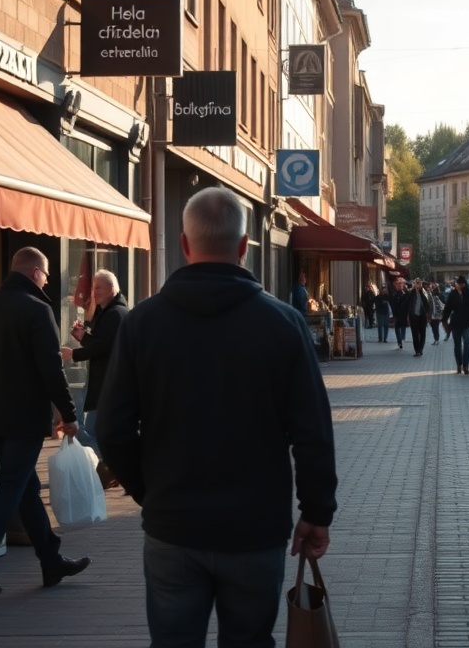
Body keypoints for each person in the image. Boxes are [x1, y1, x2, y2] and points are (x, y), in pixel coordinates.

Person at [98, 187, 337, 648]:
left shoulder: (142, 325)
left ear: (185, 245)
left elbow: (112, 429)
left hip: (173, 525)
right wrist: (316, 511)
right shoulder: (283, 325)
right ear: (245, 247)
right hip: (255, 527)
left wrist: (151, 493)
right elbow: (313, 433)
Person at [0, 246, 91, 596]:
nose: (46, 282)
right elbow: (51, 368)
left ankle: (51, 561)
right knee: (11, 487)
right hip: (25, 416)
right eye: (46, 275)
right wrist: (70, 413)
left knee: (25, 487)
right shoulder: (38, 310)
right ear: (35, 273)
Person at [60, 269, 129, 490]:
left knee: (89, 429)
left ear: (111, 289)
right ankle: (112, 469)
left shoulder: (115, 314)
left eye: (98, 288)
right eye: (93, 288)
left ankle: (111, 468)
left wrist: (75, 353)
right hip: (109, 384)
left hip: (109, 384)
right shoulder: (111, 313)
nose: (94, 293)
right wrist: (83, 337)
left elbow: (104, 347)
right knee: (95, 429)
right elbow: (101, 345)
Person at [442, 275, 469, 374]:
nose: (458, 286)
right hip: (456, 323)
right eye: (457, 284)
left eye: (460, 284)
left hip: (468, 322)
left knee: (467, 343)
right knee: (457, 344)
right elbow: (448, 308)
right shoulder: (453, 294)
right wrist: (444, 320)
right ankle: (458, 364)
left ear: (463, 284)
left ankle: (465, 365)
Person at [406, 278, 432, 357]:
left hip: (422, 316)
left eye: (419, 283)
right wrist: (408, 315)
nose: (418, 285)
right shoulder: (411, 292)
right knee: (415, 334)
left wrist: (428, 316)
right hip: (413, 316)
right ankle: (417, 350)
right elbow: (408, 304)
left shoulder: (425, 292)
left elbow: (427, 305)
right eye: (417, 283)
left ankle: (420, 349)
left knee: (422, 333)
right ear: (414, 284)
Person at [390, 278, 409, 350]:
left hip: (403, 314)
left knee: (402, 327)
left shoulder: (405, 294)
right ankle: (399, 341)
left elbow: (407, 305)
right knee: (397, 328)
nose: (399, 286)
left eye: (400, 285)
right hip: (397, 315)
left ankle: (402, 338)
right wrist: (393, 315)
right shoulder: (395, 295)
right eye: (398, 285)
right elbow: (393, 305)